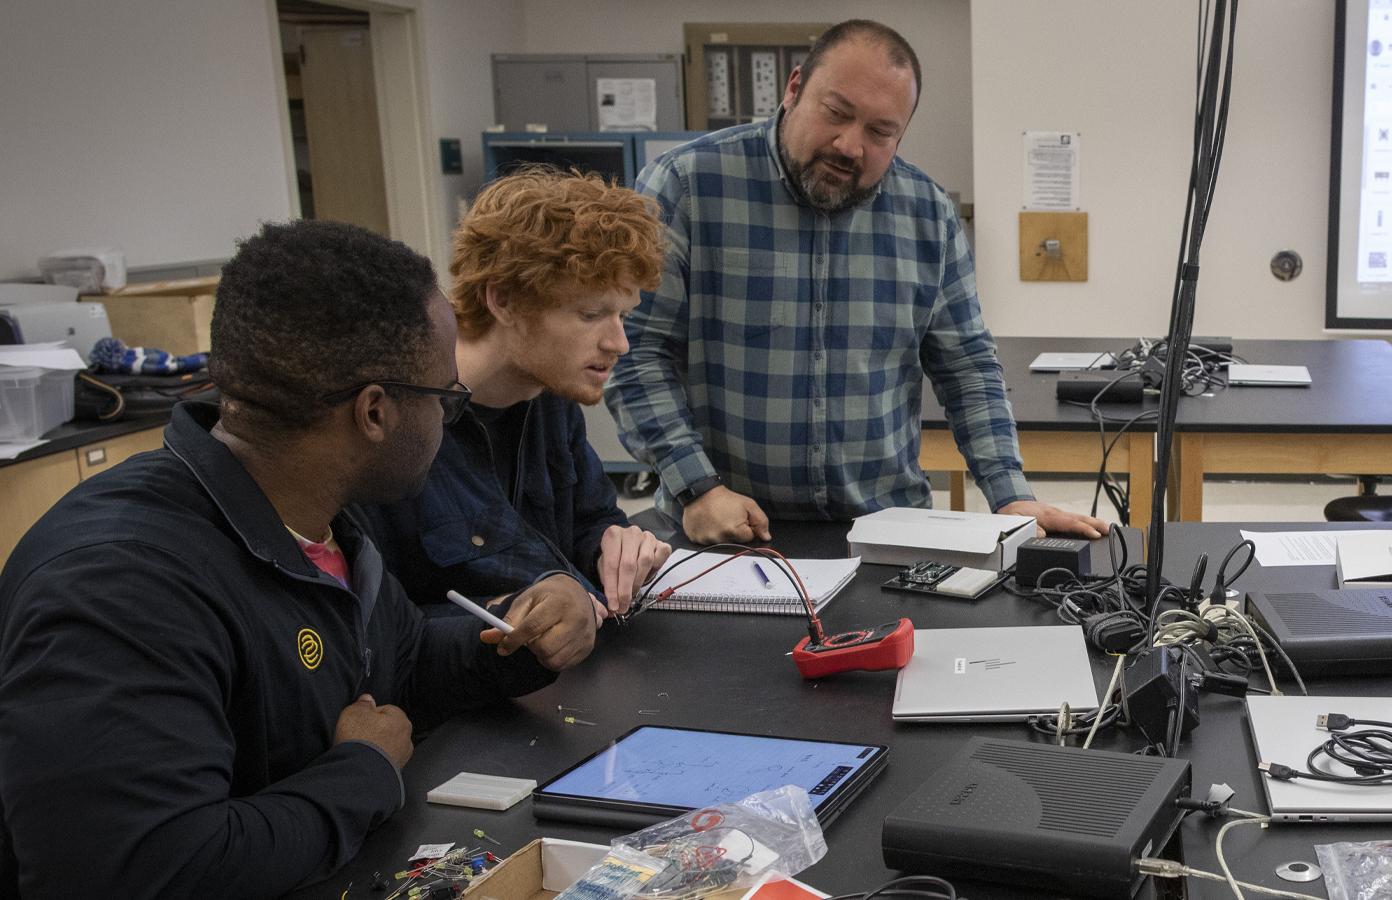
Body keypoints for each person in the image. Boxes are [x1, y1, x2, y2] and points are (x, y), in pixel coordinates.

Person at [0, 221, 598, 898]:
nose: (448, 420)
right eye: (446, 399)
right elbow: (139, 871)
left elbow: (394, 665)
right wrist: (363, 771)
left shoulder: (316, 525)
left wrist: (519, 641)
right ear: (375, 413)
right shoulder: (118, 587)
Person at [607, 19, 1106, 544]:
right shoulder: (688, 185)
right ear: (794, 88)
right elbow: (636, 351)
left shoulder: (929, 215)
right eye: (836, 113)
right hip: (724, 528)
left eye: (879, 132)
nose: (849, 145)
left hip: (885, 533)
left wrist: (1011, 493)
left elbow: (967, 366)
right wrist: (696, 486)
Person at [358, 170, 673, 617]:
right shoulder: (397, 423)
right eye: (590, 314)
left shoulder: (548, 390)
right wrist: (513, 617)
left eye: (623, 315)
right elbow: (375, 623)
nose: (618, 344)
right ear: (503, 300)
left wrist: (615, 546)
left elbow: (589, 520)